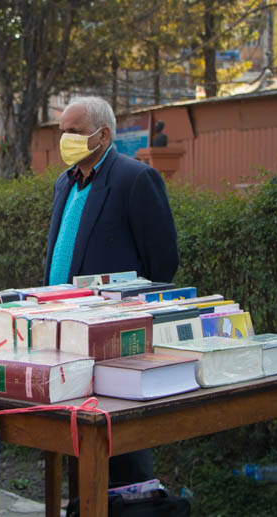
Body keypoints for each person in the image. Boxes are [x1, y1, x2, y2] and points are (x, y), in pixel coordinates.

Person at [43, 96, 179, 485]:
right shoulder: (65, 181)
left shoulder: (135, 178)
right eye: (62, 131)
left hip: (113, 332)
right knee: (74, 433)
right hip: (62, 328)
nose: (65, 139)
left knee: (118, 440)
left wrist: (125, 308)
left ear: (102, 135)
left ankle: (131, 505)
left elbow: (162, 261)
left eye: (74, 131)